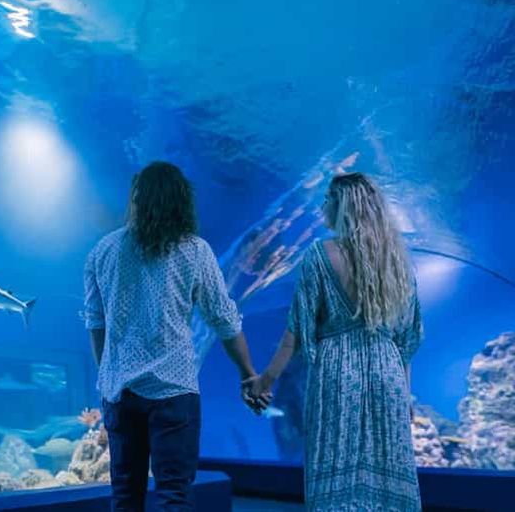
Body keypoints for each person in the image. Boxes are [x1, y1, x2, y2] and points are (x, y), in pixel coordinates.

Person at [84, 161, 267, 512]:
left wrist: (108, 377)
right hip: (174, 391)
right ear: (180, 201)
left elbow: (96, 324)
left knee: (125, 496)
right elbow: (225, 320)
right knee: (174, 496)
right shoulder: (195, 251)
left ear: (136, 199)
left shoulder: (102, 252)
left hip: (120, 394)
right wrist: (248, 373)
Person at [247, 172, 423, 511]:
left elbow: (295, 332)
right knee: (387, 477)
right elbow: (406, 341)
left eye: (328, 199)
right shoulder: (398, 260)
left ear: (343, 206)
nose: (322, 205)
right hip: (387, 373)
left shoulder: (319, 255)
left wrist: (264, 381)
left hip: (337, 373)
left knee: (337, 473)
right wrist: (405, 393)